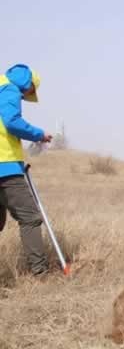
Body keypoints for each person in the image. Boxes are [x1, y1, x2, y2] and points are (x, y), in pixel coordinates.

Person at [0, 64, 52, 275]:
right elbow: (12, 122)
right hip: (5, 166)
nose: (28, 96)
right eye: (31, 91)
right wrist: (39, 134)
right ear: (28, 83)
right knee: (30, 217)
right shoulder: (9, 89)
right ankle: (40, 274)